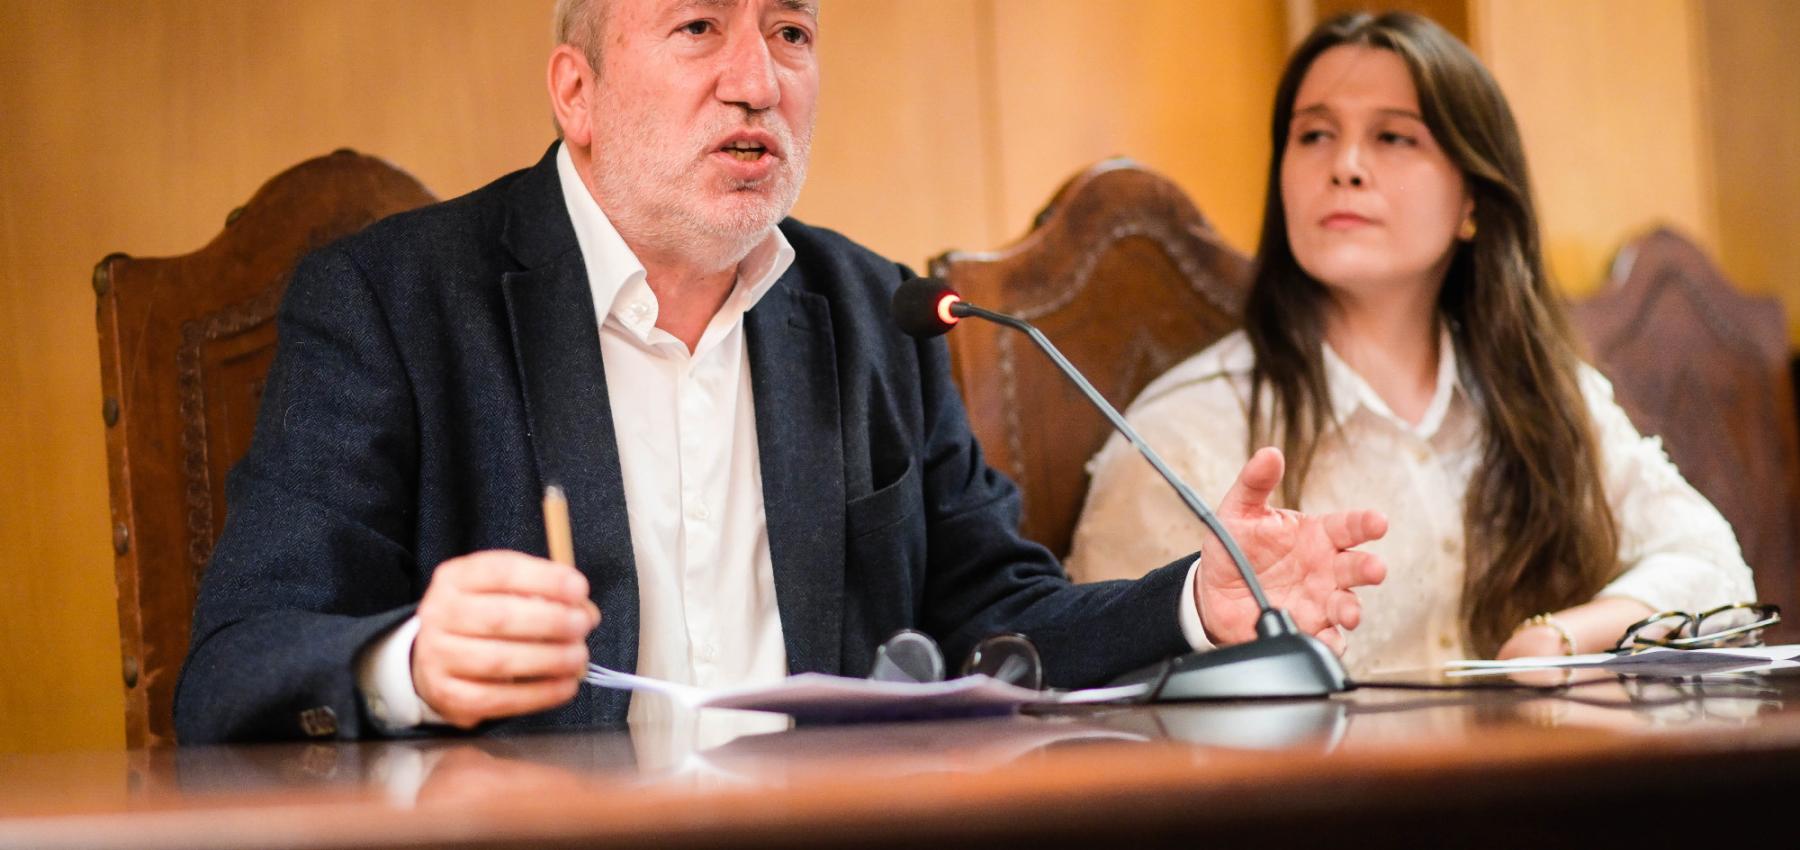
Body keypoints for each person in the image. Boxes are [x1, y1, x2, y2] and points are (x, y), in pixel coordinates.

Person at [174, 0, 1388, 744]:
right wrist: (411, 663)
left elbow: (995, 617)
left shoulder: (876, 312)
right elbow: (234, 665)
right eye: (698, 27)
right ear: (577, 91)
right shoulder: (394, 300)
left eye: (792, 33)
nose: (757, 80)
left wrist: (1199, 600)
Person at [1066, 11, 1753, 676]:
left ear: (1473, 200)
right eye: (1314, 135)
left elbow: (1712, 564)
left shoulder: (1542, 390)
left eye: (1394, 137)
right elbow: (1108, 698)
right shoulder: (1186, 431)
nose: (1346, 166)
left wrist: (1560, 637)